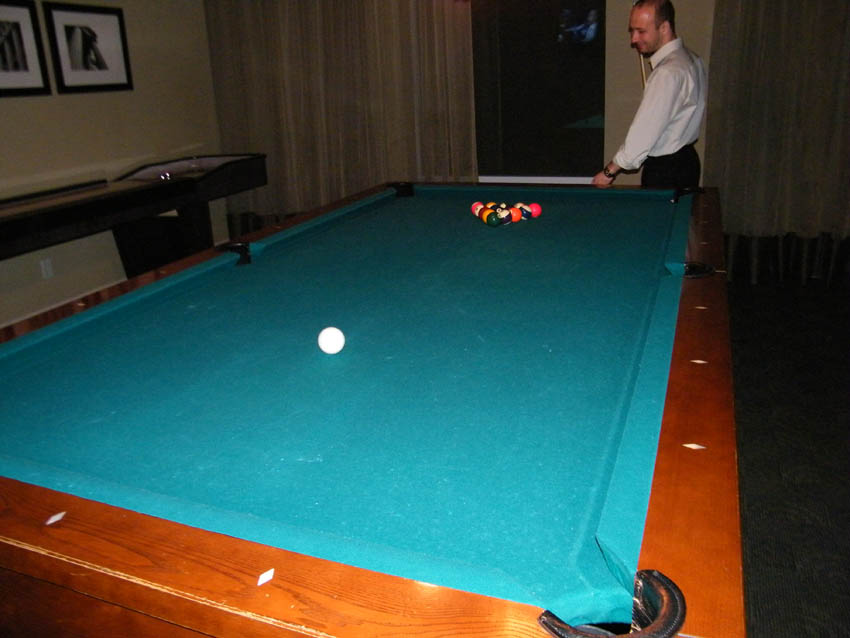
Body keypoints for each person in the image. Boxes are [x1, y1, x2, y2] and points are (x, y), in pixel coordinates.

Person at [591, 0, 706, 189]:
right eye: (632, 31)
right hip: (687, 162)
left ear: (664, 27)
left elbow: (642, 136)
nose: (633, 39)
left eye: (641, 31)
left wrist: (608, 172)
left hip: (667, 171)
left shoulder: (667, 73)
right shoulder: (692, 59)